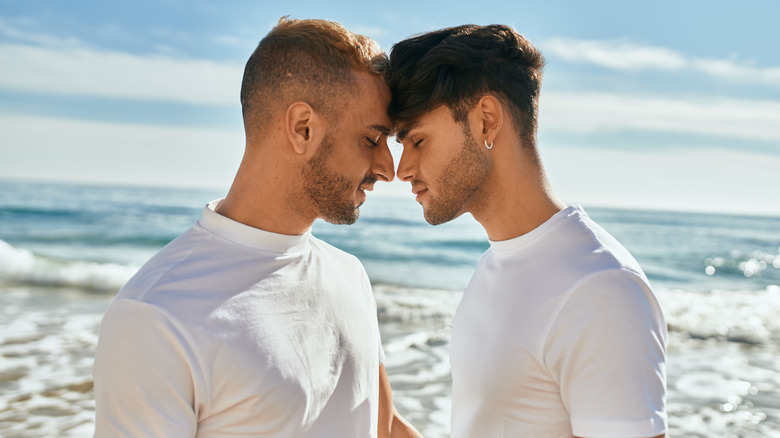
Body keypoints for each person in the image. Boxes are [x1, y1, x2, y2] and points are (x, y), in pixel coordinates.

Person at [93, 17, 420, 438]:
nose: (387, 169)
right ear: (303, 129)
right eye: (372, 139)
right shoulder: (157, 316)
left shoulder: (349, 274)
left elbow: (385, 427)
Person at [387, 24, 667, 438]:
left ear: (486, 121)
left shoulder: (600, 290)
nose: (402, 170)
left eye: (418, 140)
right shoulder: (496, 264)